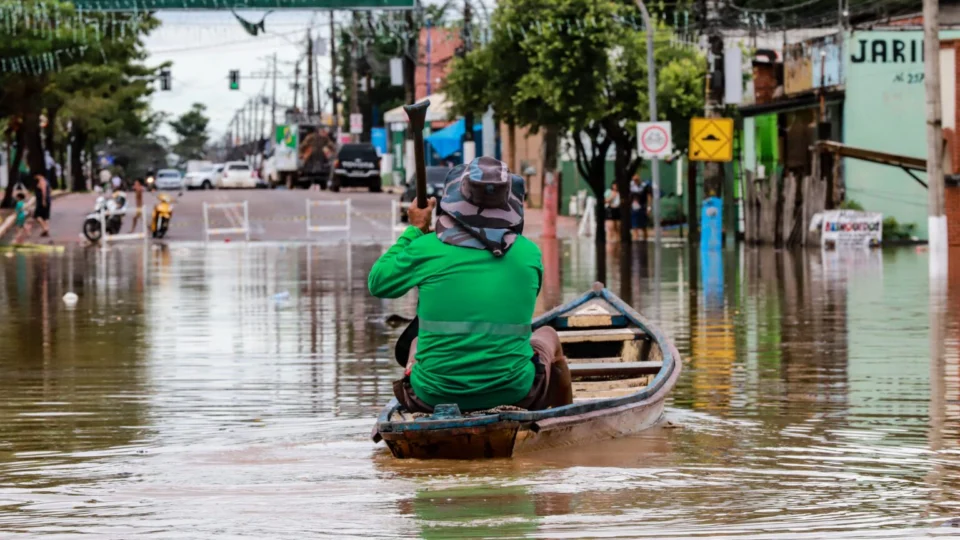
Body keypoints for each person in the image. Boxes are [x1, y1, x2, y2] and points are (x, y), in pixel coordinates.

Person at [368, 157, 573, 413]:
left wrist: (415, 230)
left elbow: (378, 282)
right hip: (516, 391)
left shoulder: (426, 247)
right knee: (548, 335)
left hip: (431, 396)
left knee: (416, 342)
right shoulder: (529, 253)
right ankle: (564, 415)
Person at [630, 174, 652, 241]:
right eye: (634, 179)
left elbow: (649, 197)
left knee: (643, 227)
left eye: (637, 178)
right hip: (633, 208)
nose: (635, 180)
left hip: (642, 207)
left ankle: (645, 241)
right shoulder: (630, 186)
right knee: (634, 227)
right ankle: (635, 240)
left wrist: (649, 207)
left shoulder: (645, 186)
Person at [33, 173, 51, 237]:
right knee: (45, 216)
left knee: (36, 215)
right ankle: (45, 230)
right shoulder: (46, 181)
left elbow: (44, 191)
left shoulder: (42, 181)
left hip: (41, 201)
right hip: (47, 200)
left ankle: (45, 228)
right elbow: (49, 190)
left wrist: (43, 200)